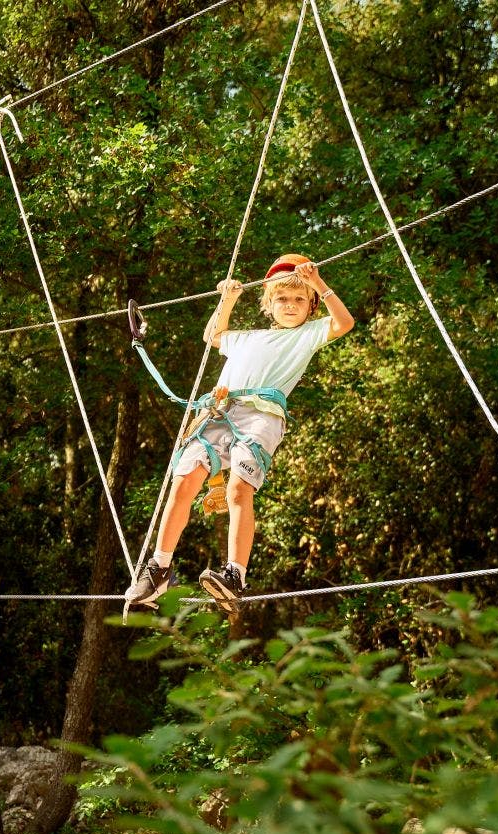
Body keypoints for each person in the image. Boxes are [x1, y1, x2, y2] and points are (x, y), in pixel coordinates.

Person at [126, 254, 355, 611]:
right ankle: (159, 567)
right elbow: (213, 335)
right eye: (281, 298)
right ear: (268, 303)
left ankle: (235, 573)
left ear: (310, 306)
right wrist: (228, 299)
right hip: (219, 410)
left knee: (238, 488)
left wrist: (318, 284)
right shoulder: (247, 338)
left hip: (261, 414)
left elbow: (343, 322)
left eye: (299, 299)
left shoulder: (309, 335)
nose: (290, 306)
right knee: (184, 481)